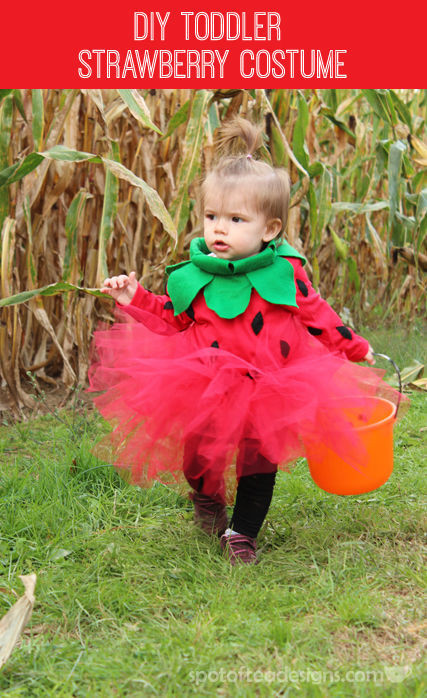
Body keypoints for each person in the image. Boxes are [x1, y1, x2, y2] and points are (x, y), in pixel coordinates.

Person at [89, 117, 394, 566]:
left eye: (236, 219)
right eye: (212, 217)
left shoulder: (285, 272)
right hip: (204, 383)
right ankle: (207, 496)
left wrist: (356, 348)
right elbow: (172, 320)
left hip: (271, 384)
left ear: (269, 230)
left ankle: (243, 532)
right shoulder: (193, 276)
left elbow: (319, 317)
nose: (219, 229)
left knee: (259, 461)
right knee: (200, 452)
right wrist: (133, 296)